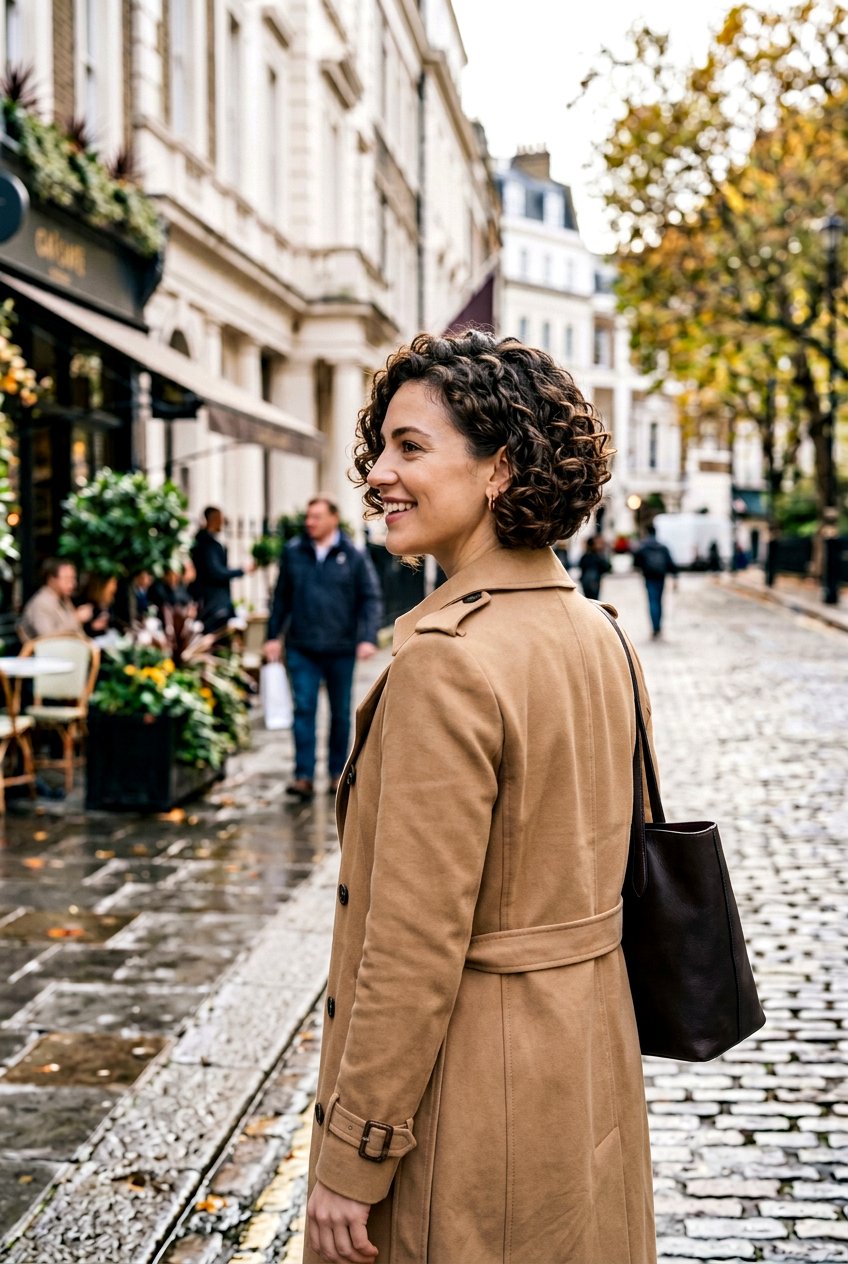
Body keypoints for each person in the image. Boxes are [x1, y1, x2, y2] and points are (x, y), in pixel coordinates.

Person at [304, 331, 656, 1264]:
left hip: (465, 1111)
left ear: (499, 468)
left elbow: (412, 947)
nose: (378, 473)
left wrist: (354, 1153)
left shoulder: (448, 664)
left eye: (411, 447)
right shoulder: (600, 634)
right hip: (582, 1081)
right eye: (382, 448)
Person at [264, 496, 382, 799]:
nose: (310, 522)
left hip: (341, 647)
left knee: (340, 713)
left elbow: (369, 597)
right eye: (308, 517)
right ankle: (303, 775)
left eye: (316, 517)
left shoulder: (352, 555)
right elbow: (281, 598)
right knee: (304, 709)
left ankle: (335, 774)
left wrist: (367, 637)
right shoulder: (294, 552)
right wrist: (272, 636)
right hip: (302, 646)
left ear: (333, 519)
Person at [190, 507, 253, 634]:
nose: (222, 522)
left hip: (213, 600)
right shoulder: (207, 545)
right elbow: (216, 572)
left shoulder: (204, 542)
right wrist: (242, 570)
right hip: (213, 602)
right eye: (220, 518)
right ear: (213, 519)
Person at [17, 559, 92, 642]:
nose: (72, 584)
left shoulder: (63, 598)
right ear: (51, 579)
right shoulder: (41, 603)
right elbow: (48, 638)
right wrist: (76, 619)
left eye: (73, 578)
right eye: (67, 579)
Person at [633, 523, 678, 639]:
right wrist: (675, 578)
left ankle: (654, 628)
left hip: (649, 576)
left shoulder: (643, 546)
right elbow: (671, 564)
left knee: (652, 602)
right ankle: (659, 627)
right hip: (660, 576)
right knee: (659, 601)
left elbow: (636, 562)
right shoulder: (662, 546)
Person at [577, 533, 612, 600]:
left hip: (588, 583)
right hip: (593, 583)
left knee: (589, 600)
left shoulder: (586, 556)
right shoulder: (596, 557)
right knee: (594, 601)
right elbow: (607, 567)